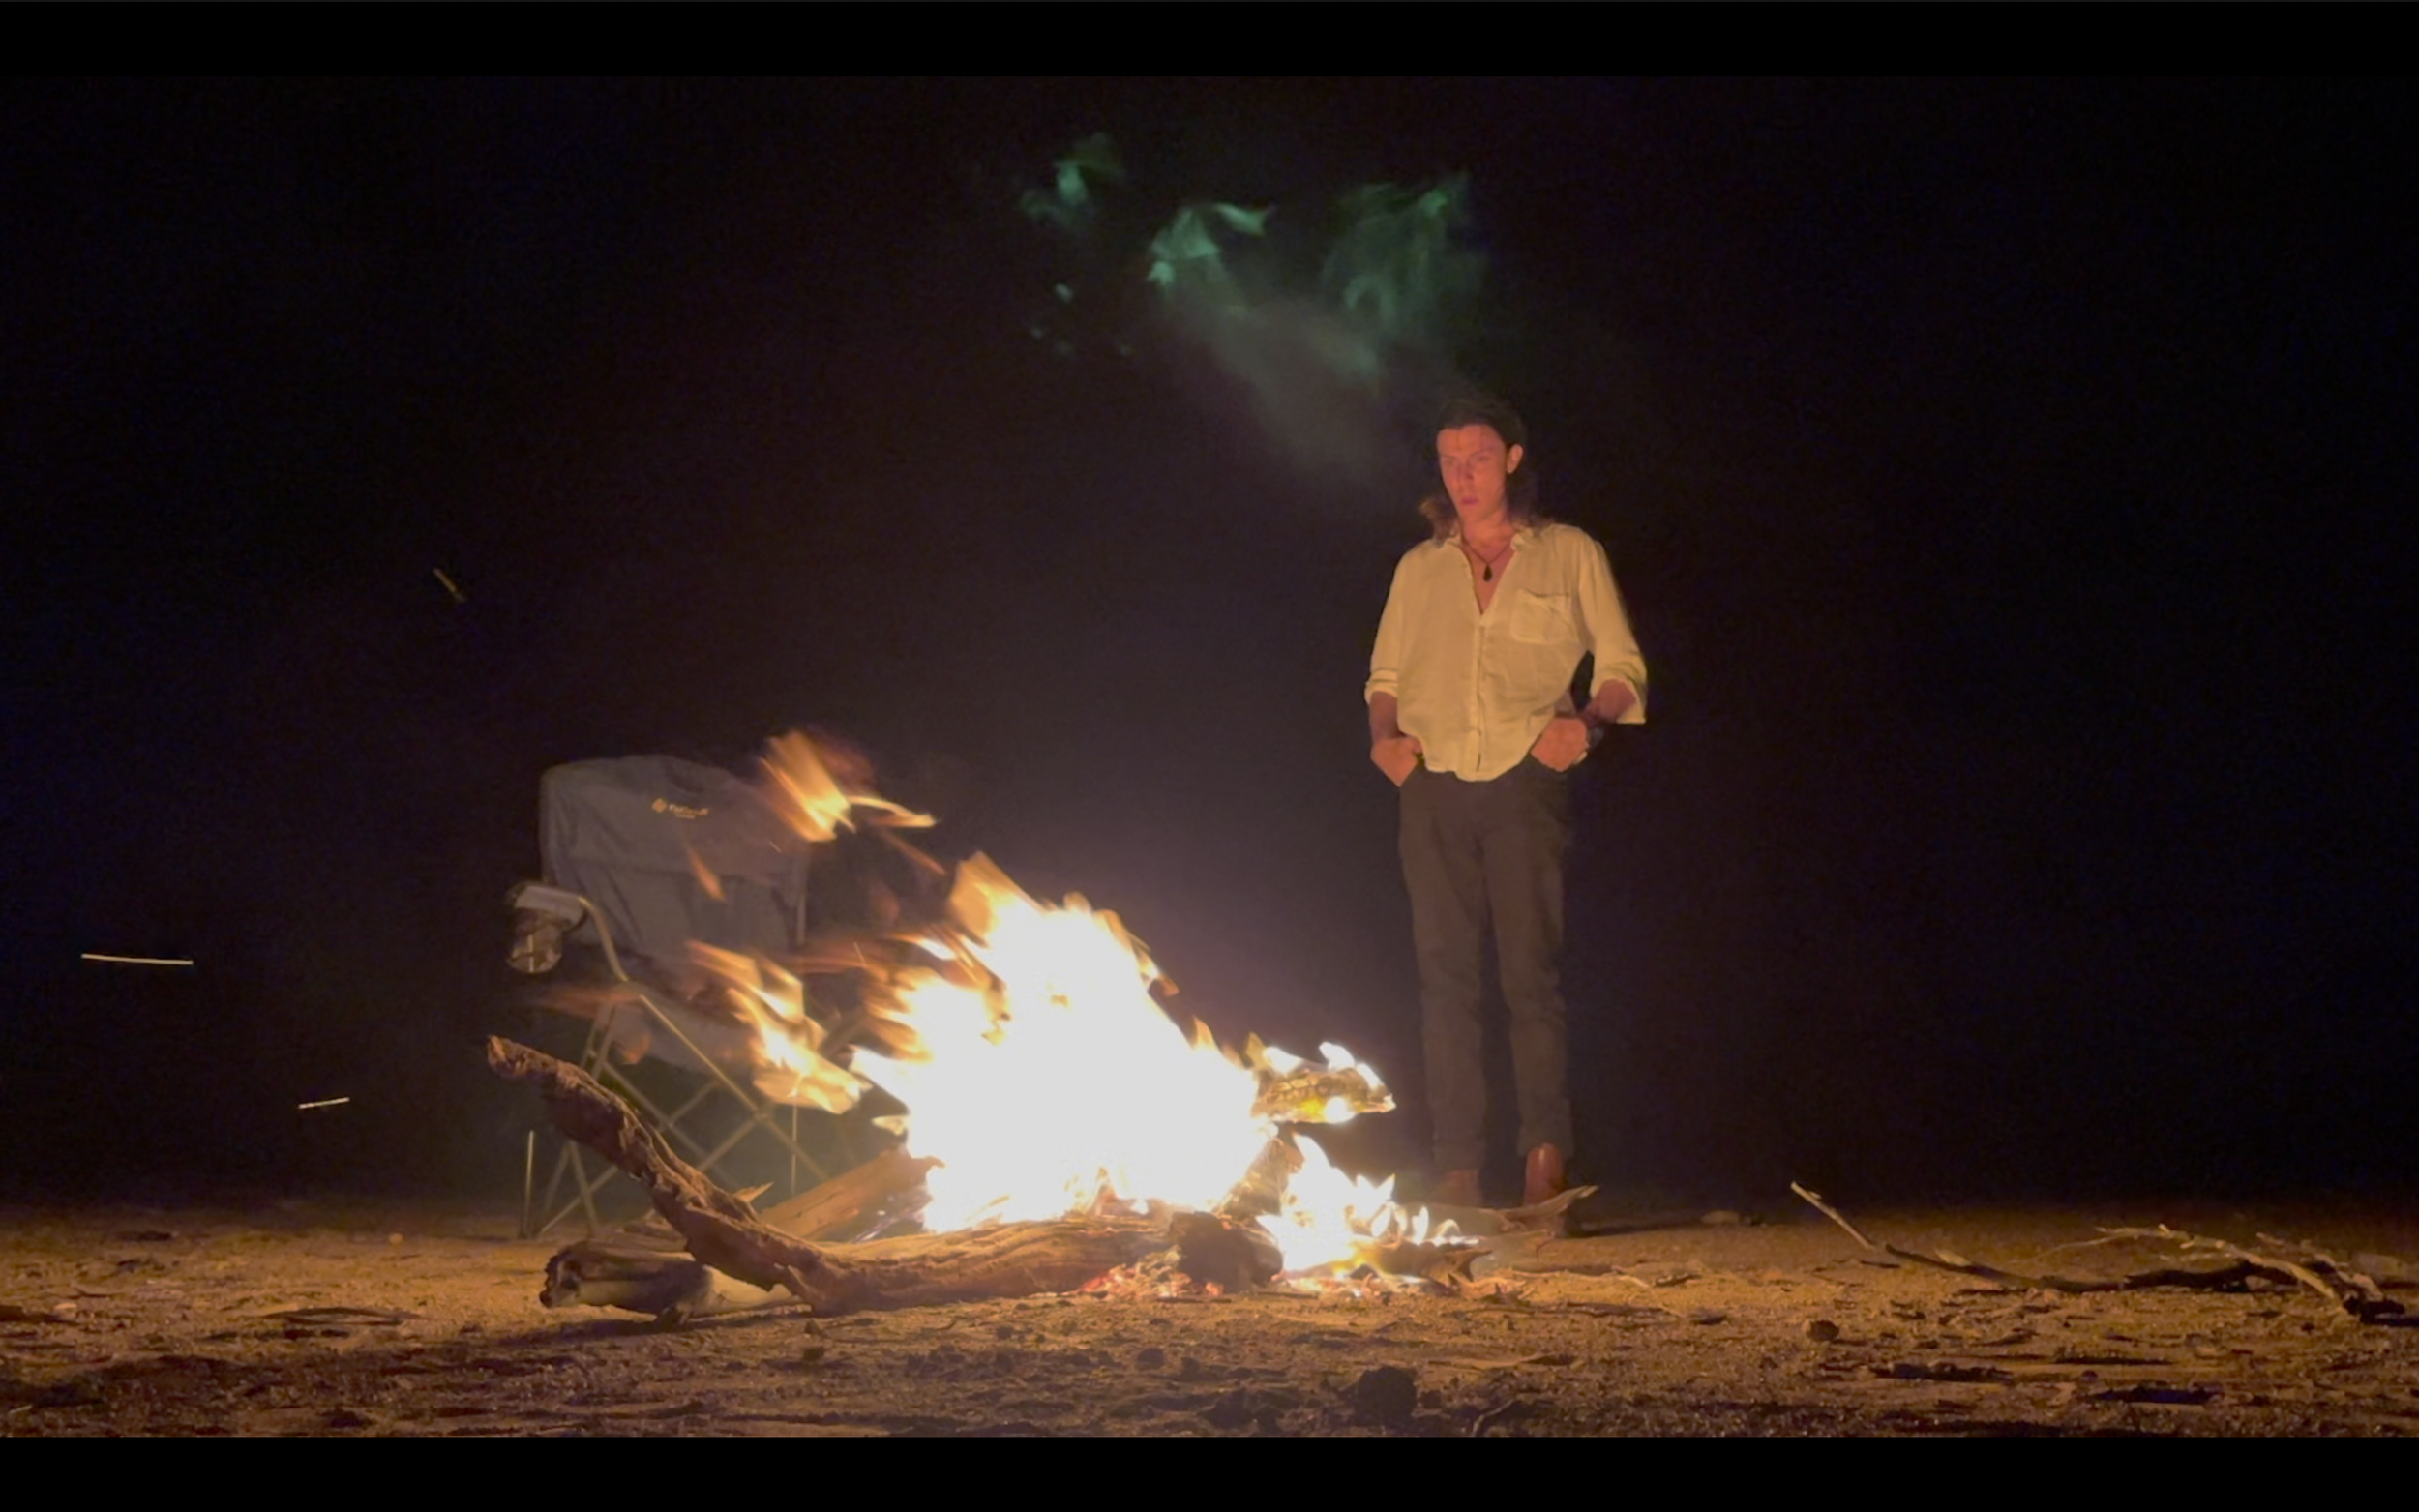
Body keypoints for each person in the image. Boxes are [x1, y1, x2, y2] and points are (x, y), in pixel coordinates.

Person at [1365, 393, 1647, 1209]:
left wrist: (1587, 725)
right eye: (1450, 459)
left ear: (1513, 461)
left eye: (1479, 457)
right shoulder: (1419, 568)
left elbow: (1624, 666)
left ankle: (1543, 1164)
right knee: (1444, 980)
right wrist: (1385, 740)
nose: (1463, 474)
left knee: (1532, 976)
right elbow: (1384, 676)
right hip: (1435, 781)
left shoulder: (1568, 554)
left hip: (1526, 779)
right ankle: (1458, 1171)